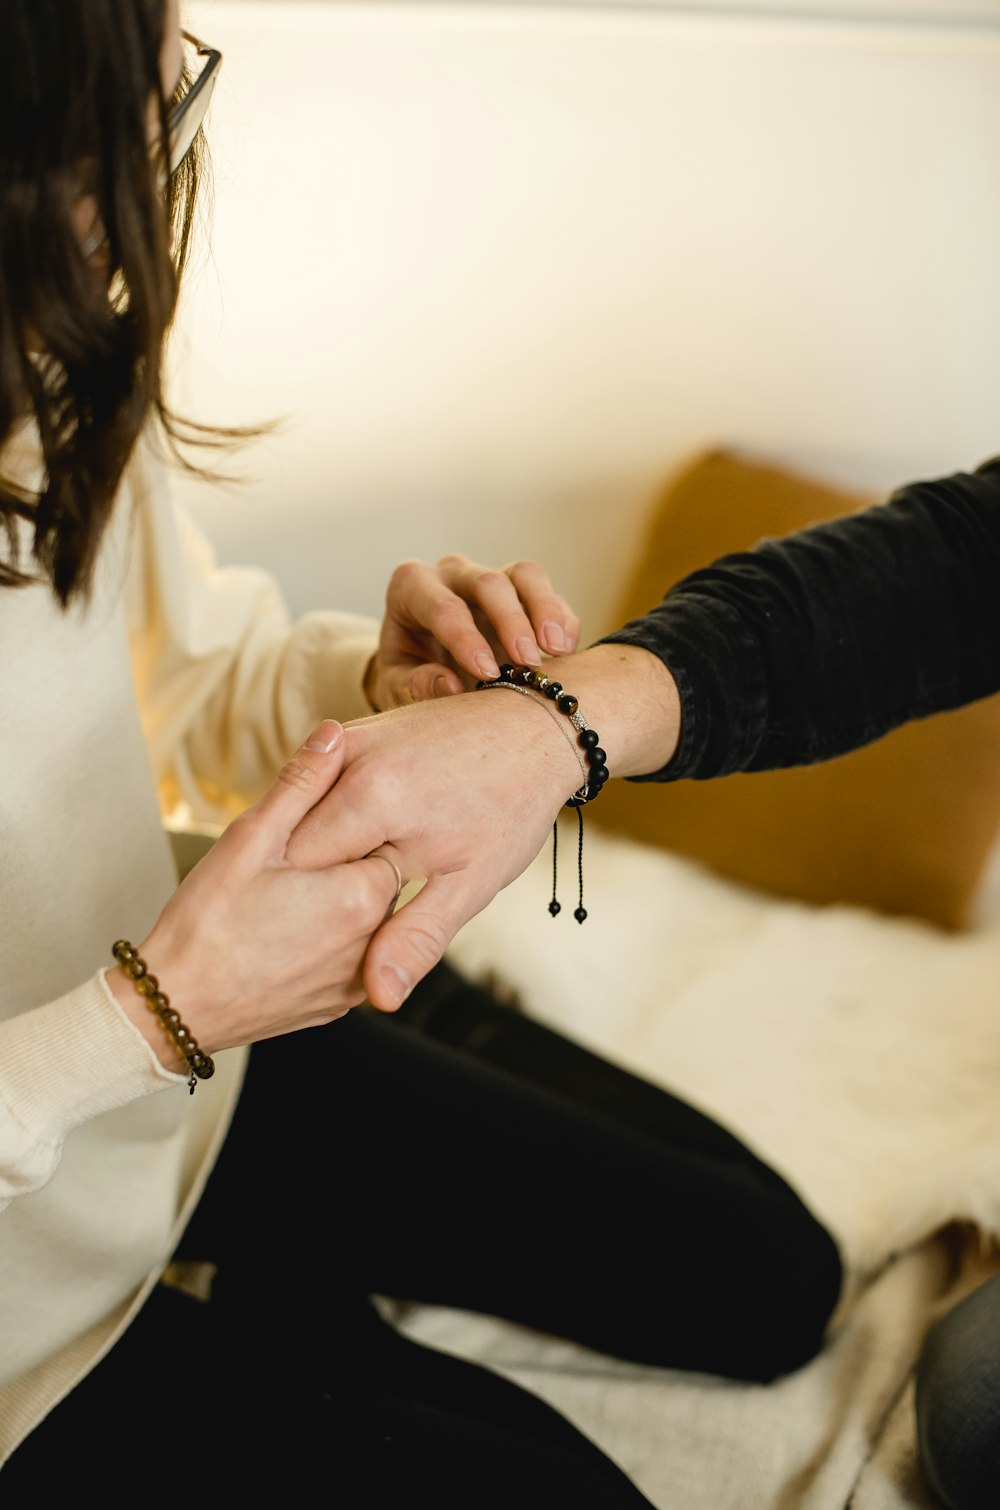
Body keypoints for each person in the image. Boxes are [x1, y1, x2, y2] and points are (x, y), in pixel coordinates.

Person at [0, 5, 845, 1504]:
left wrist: (365, 681)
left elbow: (181, 681)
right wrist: (144, 1020)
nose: (148, 170)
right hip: (29, 1306)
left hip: (168, 1094)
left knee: (773, 1279)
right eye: (116, 132)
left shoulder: (38, 369)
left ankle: (339, 1123)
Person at [287, 456, 1000, 1510]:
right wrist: (550, 722)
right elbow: (947, 571)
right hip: (142, 1070)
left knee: (784, 1290)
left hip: (208, 1081)